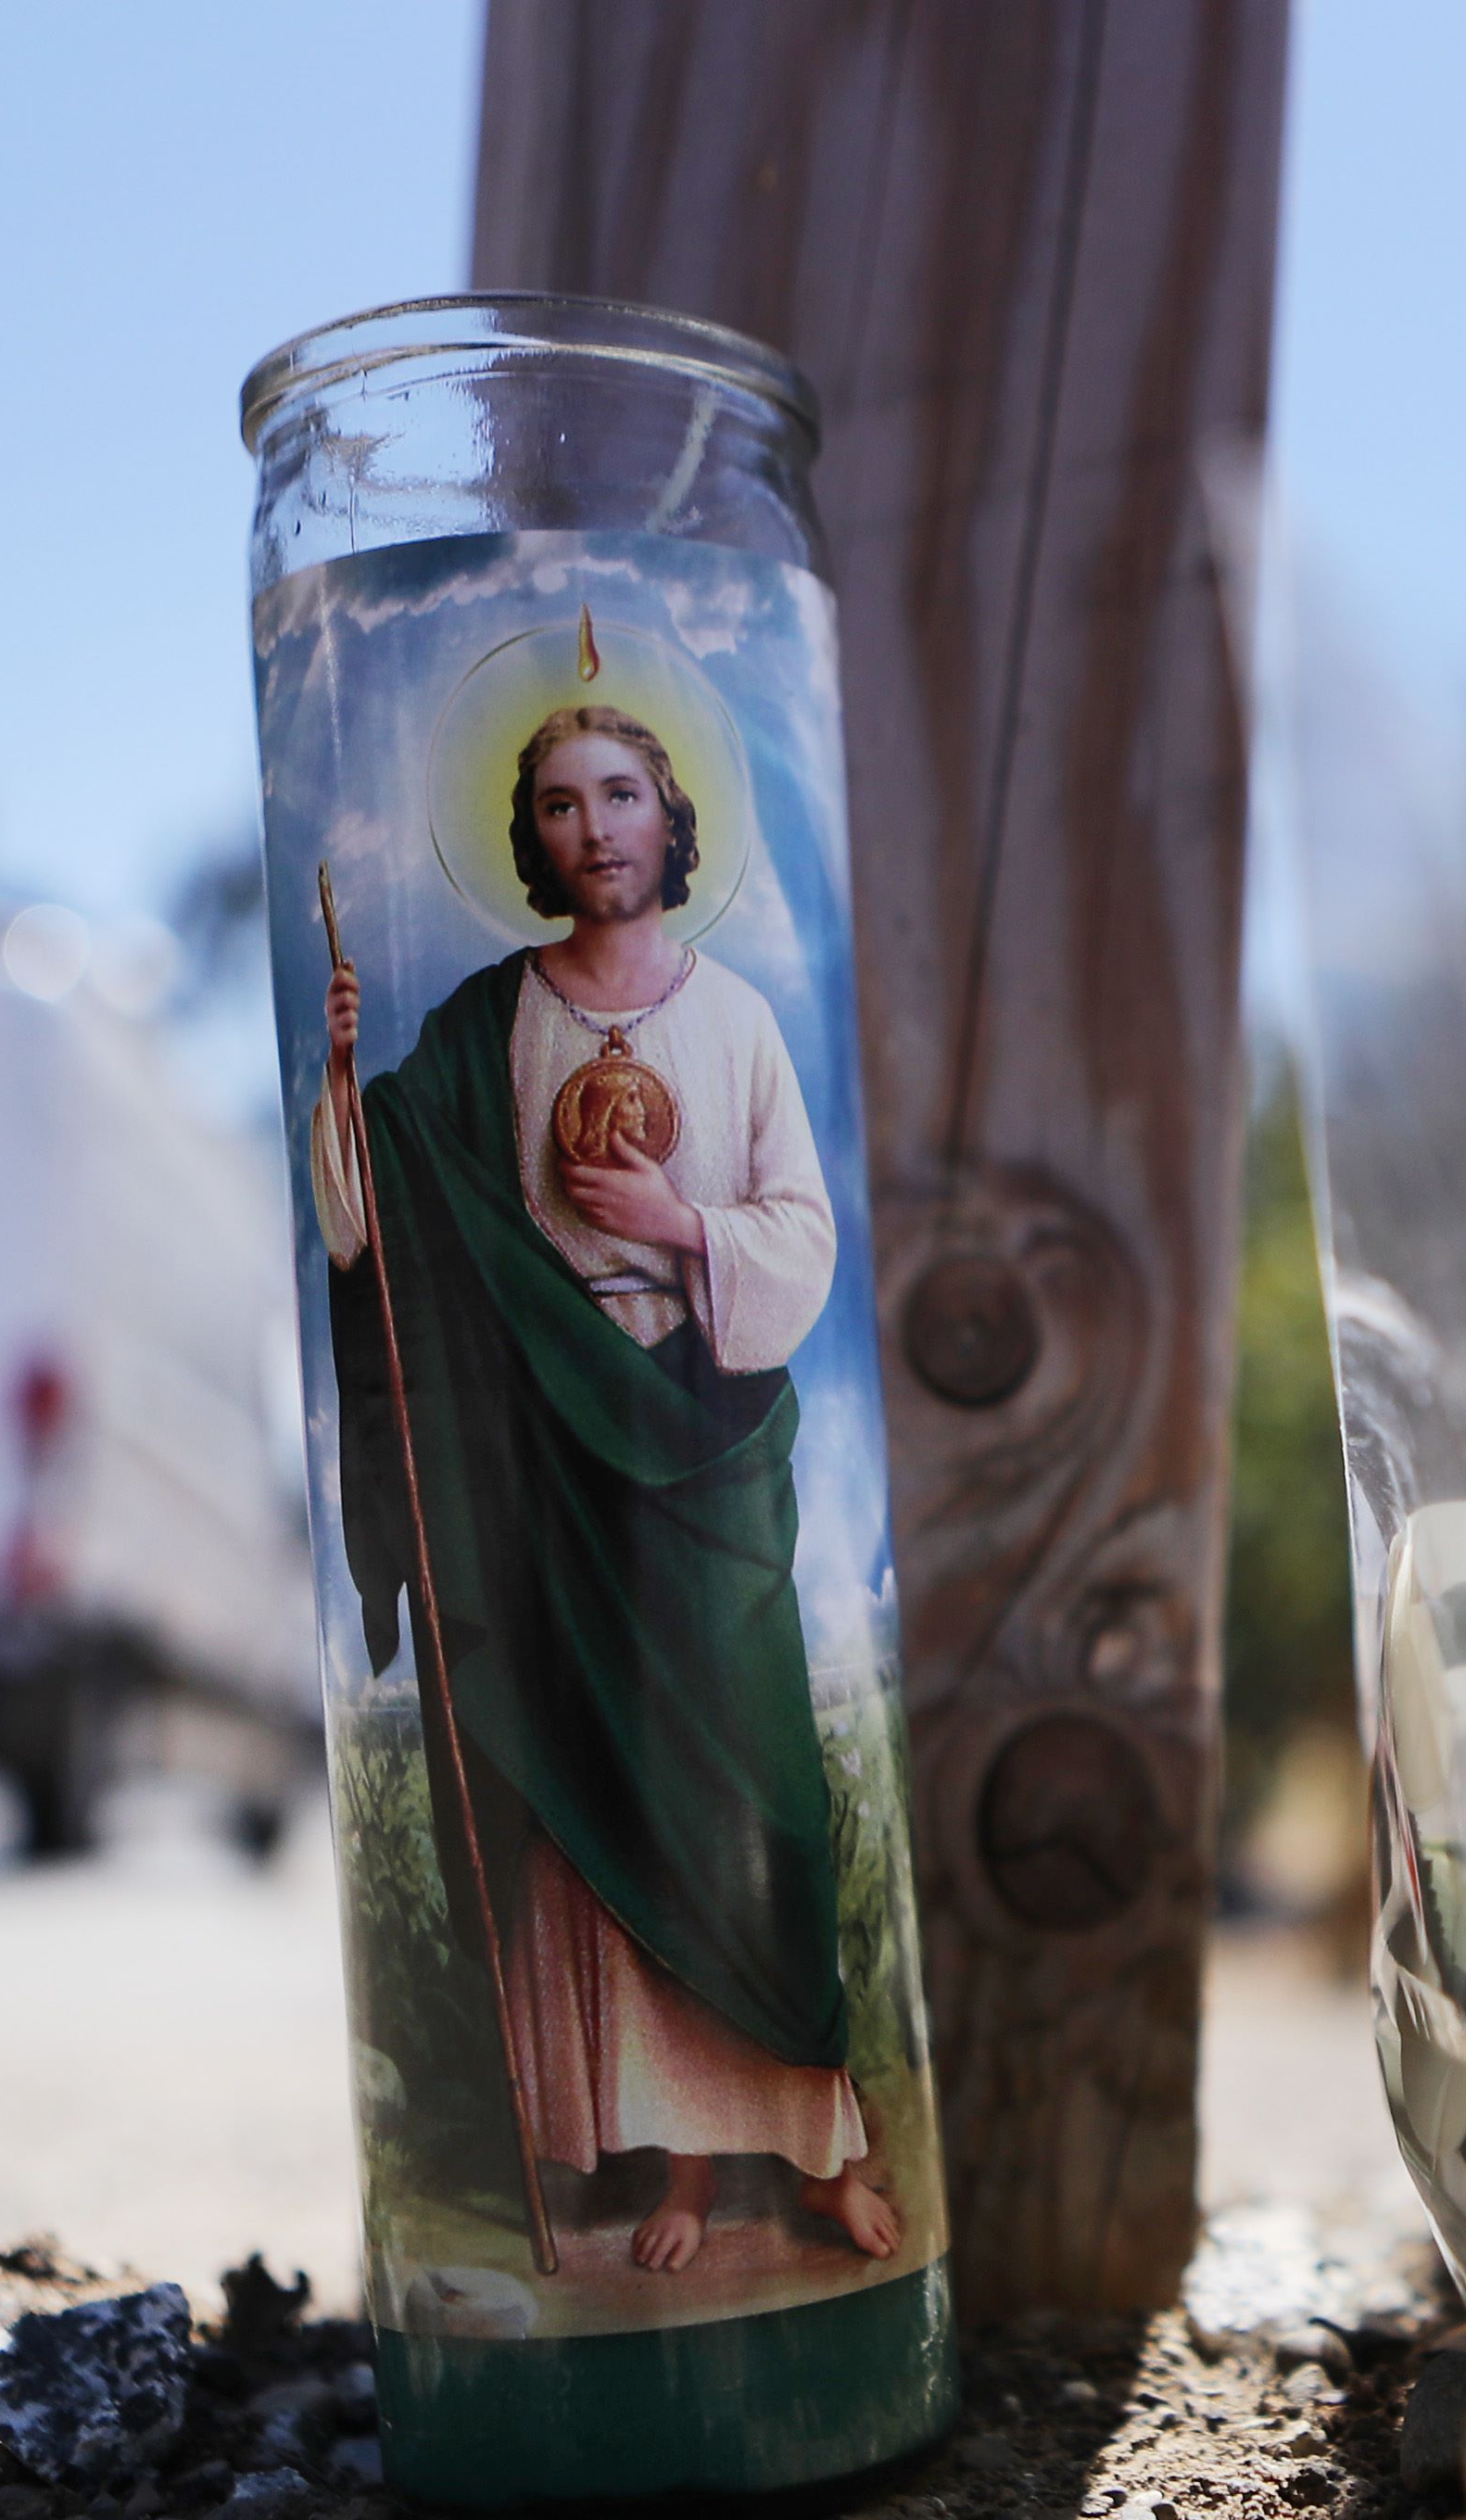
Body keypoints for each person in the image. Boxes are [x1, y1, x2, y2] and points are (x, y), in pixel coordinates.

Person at [314, 701, 903, 2274]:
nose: (596, 828)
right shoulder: (489, 1019)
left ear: (669, 817)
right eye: (564, 804)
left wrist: (678, 1221)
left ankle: (821, 2143)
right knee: (593, 1801)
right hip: (550, 1444)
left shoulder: (742, 1021)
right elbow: (391, 1213)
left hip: (700, 1436)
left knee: (751, 1794)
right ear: (536, 840)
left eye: (623, 795)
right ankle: (675, 2166)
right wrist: (348, 1081)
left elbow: (805, 1234)